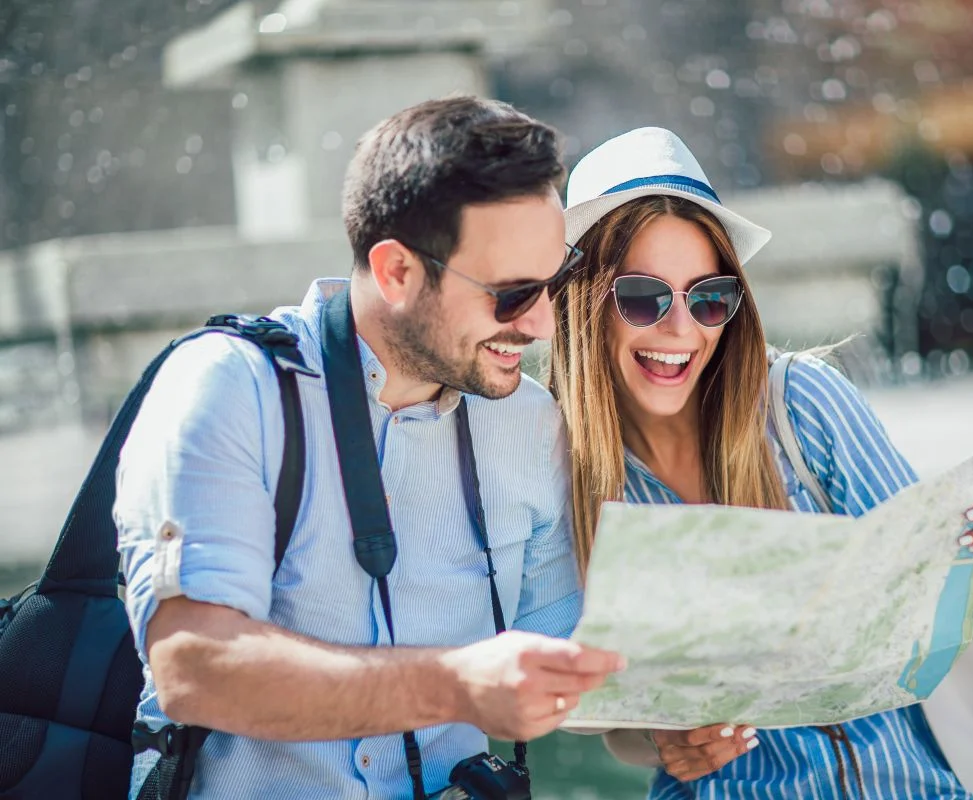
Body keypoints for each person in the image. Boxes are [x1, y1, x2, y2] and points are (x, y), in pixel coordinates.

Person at [114, 96, 624, 799]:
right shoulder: (230, 387)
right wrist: (454, 686)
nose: (540, 324)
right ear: (396, 272)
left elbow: (572, 661)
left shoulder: (531, 425)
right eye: (511, 295)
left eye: (555, 283)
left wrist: (682, 722)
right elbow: (193, 668)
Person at [548, 127, 973, 799]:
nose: (682, 329)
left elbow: (918, 640)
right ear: (584, 297)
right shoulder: (554, 472)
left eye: (708, 297)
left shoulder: (802, 404)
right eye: (643, 296)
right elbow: (617, 725)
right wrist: (670, 742)